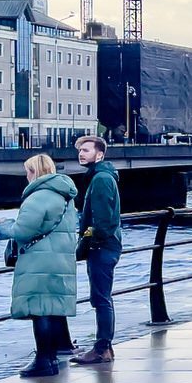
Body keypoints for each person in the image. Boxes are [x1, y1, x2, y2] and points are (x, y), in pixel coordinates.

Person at [0, 154, 79, 378]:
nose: (26, 176)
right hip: (59, 260)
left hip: (38, 260)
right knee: (50, 308)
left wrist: (5, 226)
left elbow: (23, 231)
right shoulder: (65, 197)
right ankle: (51, 358)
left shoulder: (38, 196)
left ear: (34, 172)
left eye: (27, 171)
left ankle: (44, 360)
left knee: (39, 309)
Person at [70, 135, 122, 365]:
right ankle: (105, 348)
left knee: (100, 298)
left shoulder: (100, 179)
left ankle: (101, 349)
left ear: (99, 154)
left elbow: (99, 223)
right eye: (80, 150)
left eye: (87, 150)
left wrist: (86, 242)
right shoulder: (100, 176)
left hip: (102, 247)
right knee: (103, 297)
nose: (81, 153)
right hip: (105, 245)